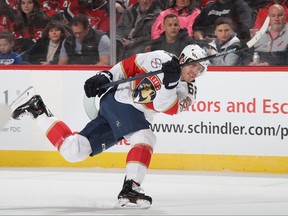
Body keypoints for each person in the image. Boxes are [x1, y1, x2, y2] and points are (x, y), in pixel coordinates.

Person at [10, 44, 209, 208]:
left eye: (199, 70)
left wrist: (170, 85)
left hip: (129, 117)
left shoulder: (189, 91)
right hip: (119, 101)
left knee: (74, 151)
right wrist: (106, 75)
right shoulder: (159, 57)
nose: (195, 72)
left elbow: (164, 107)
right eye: (194, 66)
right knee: (146, 136)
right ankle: (131, 187)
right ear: (183, 59)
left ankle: (37, 111)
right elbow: (128, 67)